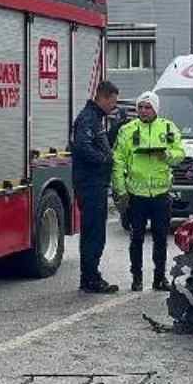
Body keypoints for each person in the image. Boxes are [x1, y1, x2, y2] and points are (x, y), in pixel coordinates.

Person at [112, 92, 185, 291]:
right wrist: (121, 191)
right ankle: (136, 278)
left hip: (161, 194)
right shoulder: (127, 130)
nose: (143, 111)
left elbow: (180, 154)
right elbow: (118, 161)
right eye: (141, 107)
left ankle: (159, 278)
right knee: (136, 239)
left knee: (161, 238)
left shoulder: (168, 128)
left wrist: (166, 154)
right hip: (136, 195)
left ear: (156, 109)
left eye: (148, 107)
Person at [71, 80, 120, 294]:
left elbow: (98, 143)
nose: (114, 106)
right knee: (94, 233)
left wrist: (116, 130)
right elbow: (82, 148)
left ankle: (90, 275)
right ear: (103, 97)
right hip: (90, 184)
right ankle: (90, 278)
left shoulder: (96, 118)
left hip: (95, 183)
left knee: (95, 232)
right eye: (113, 101)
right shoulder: (88, 118)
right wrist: (104, 160)